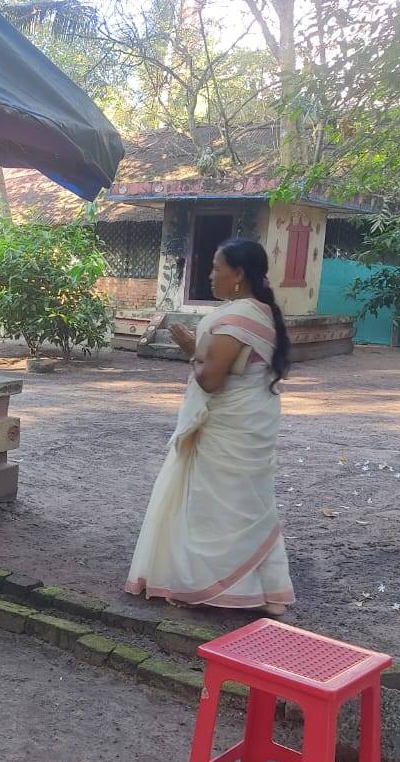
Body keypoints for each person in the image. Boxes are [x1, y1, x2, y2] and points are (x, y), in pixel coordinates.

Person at [124, 238, 295, 615]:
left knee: (215, 504)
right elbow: (229, 369)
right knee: (248, 502)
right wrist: (198, 351)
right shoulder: (260, 312)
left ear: (238, 275)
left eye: (217, 268)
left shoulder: (237, 318)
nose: (210, 274)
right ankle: (259, 588)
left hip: (228, 425)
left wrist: (193, 349)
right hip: (249, 419)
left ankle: (213, 584)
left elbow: (211, 379)